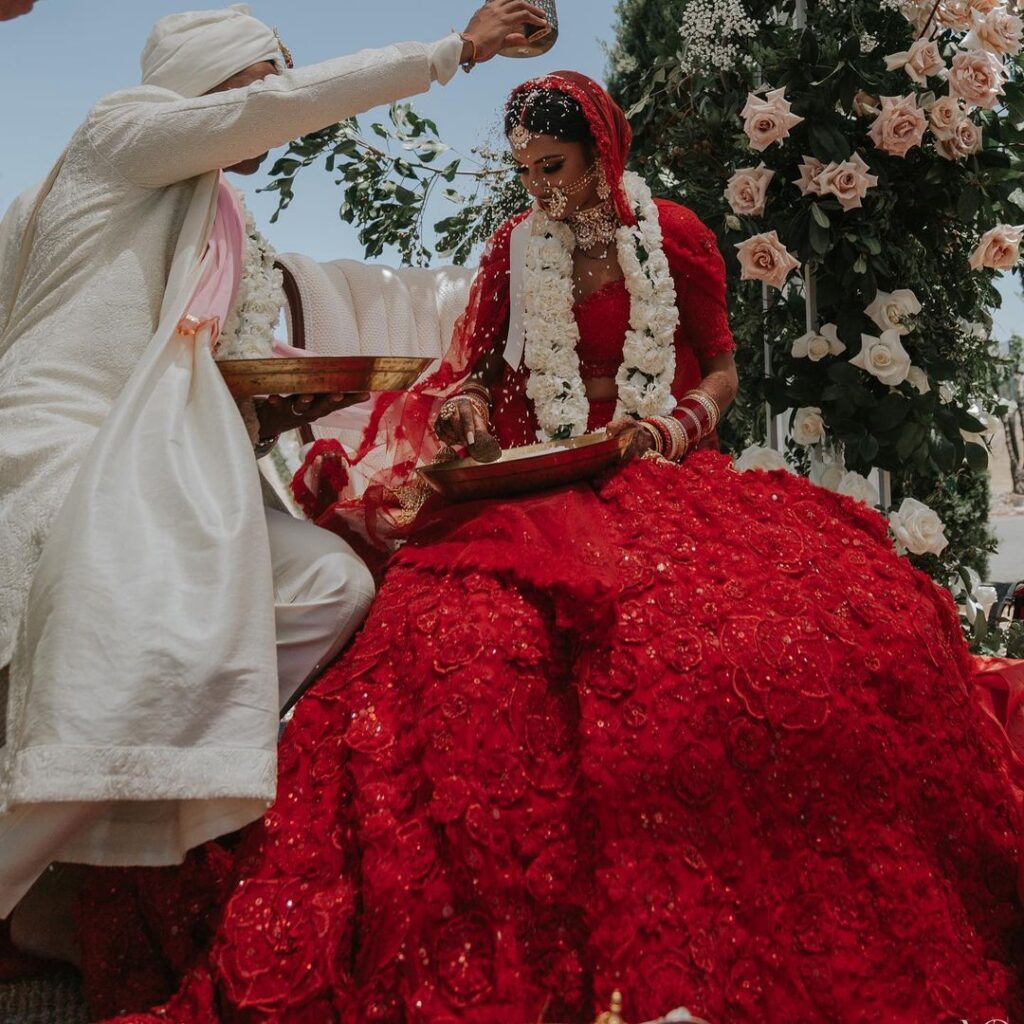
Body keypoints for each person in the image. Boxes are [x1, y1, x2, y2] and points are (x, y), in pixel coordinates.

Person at [76, 74, 1024, 1024]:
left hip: (664, 468)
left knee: (824, 621)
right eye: (526, 170)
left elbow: (725, 367)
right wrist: (468, 411)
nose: (542, 190)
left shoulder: (678, 236)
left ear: (603, 153)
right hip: (535, 482)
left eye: (557, 167)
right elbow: (471, 372)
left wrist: (676, 425)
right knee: (457, 645)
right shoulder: (510, 249)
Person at [0, 0, 549, 957]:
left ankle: (104, 820)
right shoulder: (119, 131)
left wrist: (278, 405)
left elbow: (221, 363)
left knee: (328, 583)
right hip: (69, 445)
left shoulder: (214, 209)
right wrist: (454, 52)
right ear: (207, 85)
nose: (279, 101)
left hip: (175, 459)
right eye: (265, 80)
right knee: (134, 633)